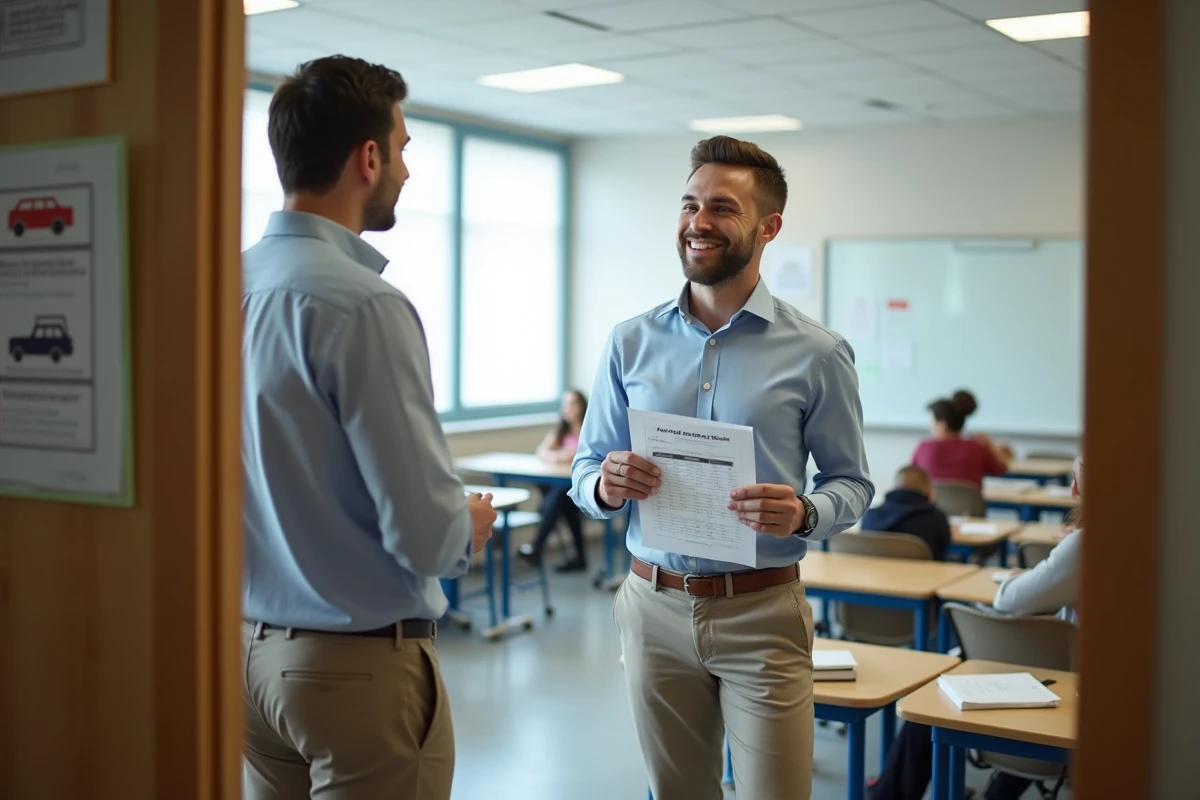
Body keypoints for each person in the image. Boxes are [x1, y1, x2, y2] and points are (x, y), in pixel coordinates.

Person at [570, 135, 874, 800]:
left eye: (722, 208)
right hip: (652, 607)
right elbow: (586, 466)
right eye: (689, 204)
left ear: (770, 228)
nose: (698, 222)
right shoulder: (629, 341)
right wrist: (603, 482)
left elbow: (853, 483)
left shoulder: (818, 353)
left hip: (761, 611)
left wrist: (804, 510)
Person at [239, 56, 497, 800]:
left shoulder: (219, 284)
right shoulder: (363, 306)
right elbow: (421, 530)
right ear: (369, 157)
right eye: (406, 149)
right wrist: (466, 528)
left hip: (243, 661)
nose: (409, 172)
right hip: (352, 670)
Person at [868, 454, 1084, 800]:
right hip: (1094, 686)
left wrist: (1045, 566)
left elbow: (1009, 600)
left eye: (1078, 480)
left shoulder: (1086, 544)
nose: (1073, 492)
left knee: (934, 692)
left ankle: (889, 795)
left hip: (1073, 688)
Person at [518, 389, 590, 572]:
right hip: (567, 491)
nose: (568, 409)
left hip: (585, 490)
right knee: (562, 498)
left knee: (559, 496)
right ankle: (578, 556)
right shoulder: (561, 430)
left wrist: (569, 455)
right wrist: (559, 456)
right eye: (565, 404)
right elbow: (542, 451)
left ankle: (537, 546)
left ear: (582, 406)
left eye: (573, 404)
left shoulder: (590, 428)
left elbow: (589, 454)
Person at [911, 390, 1011, 488]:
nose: (930, 425)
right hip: (970, 504)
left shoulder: (924, 448)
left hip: (931, 504)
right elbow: (1001, 469)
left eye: (932, 420)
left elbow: (911, 476)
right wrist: (990, 445)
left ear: (942, 425)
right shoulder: (977, 447)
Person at [860, 465, 952, 560]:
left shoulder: (870, 516)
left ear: (895, 487)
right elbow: (943, 552)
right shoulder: (936, 519)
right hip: (922, 574)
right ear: (928, 490)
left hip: (875, 573)